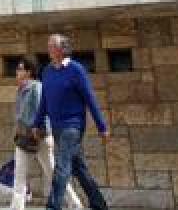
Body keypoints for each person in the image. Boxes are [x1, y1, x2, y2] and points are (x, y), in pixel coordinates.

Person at [32, 33, 110, 210]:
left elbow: (90, 98)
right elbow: (45, 101)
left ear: (62, 49)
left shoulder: (76, 70)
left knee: (61, 166)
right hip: (57, 127)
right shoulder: (47, 71)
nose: (49, 49)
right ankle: (99, 203)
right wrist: (37, 123)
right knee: (78, 168)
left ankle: (53, 206)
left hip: (73, 126)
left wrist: (102, 126)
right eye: (49, 45)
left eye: (52, 45)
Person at [12, 56, 83, 210]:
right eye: (17, 69)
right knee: (20, 175)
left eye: (20, 69)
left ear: (28, 72)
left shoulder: (36, 87)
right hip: (24, 137)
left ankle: (75, 203)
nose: (17, 72)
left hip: (39, 136)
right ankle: (75, 203)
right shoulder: (22, 89)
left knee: (51, 173)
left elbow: (43, 110)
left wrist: (38, 130)